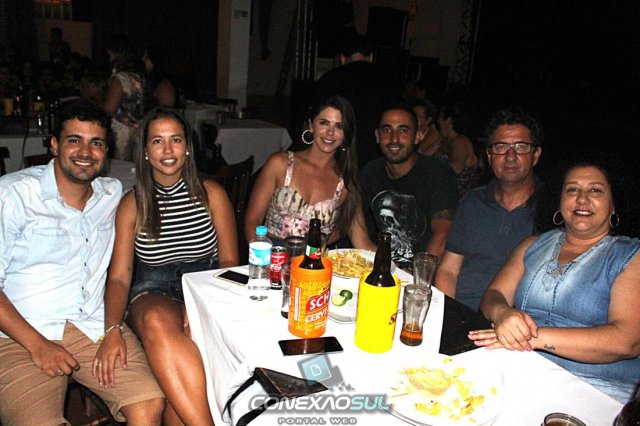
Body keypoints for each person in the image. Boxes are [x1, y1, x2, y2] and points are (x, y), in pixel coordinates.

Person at [0, 99, 164, 425]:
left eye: (96, 143)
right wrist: (37, 345)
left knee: (148, 406)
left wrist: (113, 329)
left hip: (92, 327)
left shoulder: (112, 194)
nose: (86, 152)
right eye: (75, 140)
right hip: (19, 333)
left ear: (107, 151)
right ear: (54, 145)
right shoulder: (12, 195)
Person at [100, 106, 238, 425]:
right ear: (145, 152)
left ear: (187, 147)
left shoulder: (212, 193)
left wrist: (200, 301)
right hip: (152, 290)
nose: (167, 150)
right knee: (157, 321)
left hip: (206, 284)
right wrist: (111, 329)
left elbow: (230, 261)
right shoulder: (132, 203)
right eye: (157, 141)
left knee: (183, 372)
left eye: (175, 140)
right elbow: (119, 277)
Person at [469, 150, 640, 403]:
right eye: (572, 190)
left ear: (613, 204)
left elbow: (627, 341)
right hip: (521, 367)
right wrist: (502, 313)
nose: (582, 199)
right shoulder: (534, 244)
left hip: (597, 388)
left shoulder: (630, 255)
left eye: (595, 190)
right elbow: (494, 294)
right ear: (559, 200)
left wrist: (531, 337)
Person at [435, 107, 543, 311]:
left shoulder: (551, 209)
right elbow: (448, 270)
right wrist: (448, 314)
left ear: (535, 155)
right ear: (489, 155)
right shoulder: (473, 201)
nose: (510, 156)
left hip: (512, 321)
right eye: (501, 147)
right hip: (460, 311)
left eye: (521, 147)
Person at [245, 95, 375, 249]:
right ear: (311, 126)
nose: (330, 132)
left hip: (314, 261)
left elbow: (362, 242)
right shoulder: (280, 163)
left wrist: (393, 261)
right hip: (272, 256)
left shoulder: (346, 181)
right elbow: (252, 220)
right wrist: (262, 257)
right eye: (324, 123)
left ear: (346, 133)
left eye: (339, 126)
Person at [360, 101, 459, 267]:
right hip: (382, 268)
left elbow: (443, 234)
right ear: (377, 136)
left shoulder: (437, 173)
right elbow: (353, 224)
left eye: (403, 130)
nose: (394, 138)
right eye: (387, 130)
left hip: (424, 271)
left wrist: (418, 276)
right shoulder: (370, 172)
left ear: (417, 136)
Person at [313, 33, 400, 169]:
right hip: (376, 153)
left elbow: (315, 113)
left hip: (338, 150)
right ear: (371, 57)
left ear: (342, 58)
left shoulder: (330, 79)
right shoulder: (388, 81)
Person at [104, 34, 146, 161]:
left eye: (110, 55)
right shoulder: (140, 77)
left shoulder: (120, 78)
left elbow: (110, 109)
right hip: (139, 128)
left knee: (120, 165)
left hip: (121, 131)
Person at [437, 99, 484, 199]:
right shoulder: (447, 141)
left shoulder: (460, 142)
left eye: (440, 118)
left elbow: (456, 168)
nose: (438, 121)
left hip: (458, 202)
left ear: (448, 121)